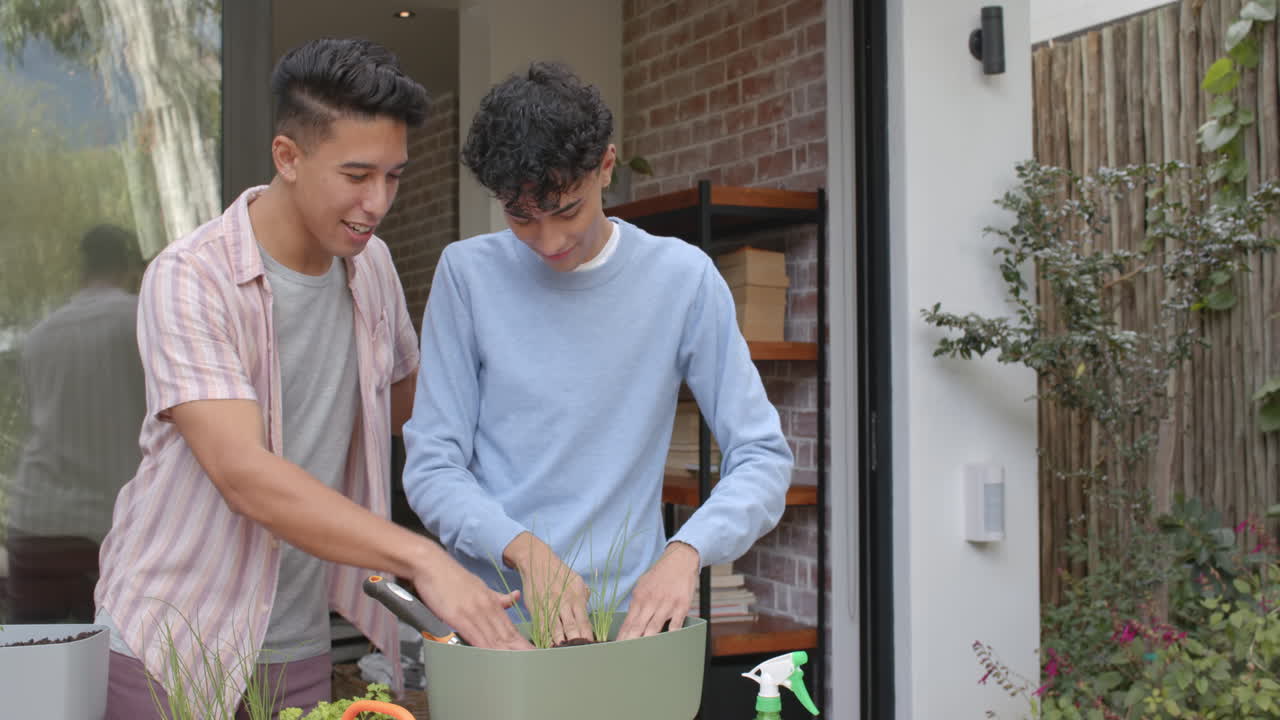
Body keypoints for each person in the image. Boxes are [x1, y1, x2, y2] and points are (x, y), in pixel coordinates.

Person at [94, 38, 529, 720]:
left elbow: (417, 412)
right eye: (357, 175)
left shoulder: (373, 268)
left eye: (393, 176)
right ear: (287, 157)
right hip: (170, 640)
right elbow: (244, 476)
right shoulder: (191, 277)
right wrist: (424, 561)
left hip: (295, 645)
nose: (377, 202)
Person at [401, 61, 793, 646]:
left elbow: (762, 456)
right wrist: (524, 551)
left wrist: (687, 550)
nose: (549, 241)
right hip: (495, 626)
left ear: (606, 166)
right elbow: (433, 467)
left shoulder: (682, 279)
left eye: (567, 211)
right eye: (521, 217)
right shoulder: (467, 276)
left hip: (632, 628)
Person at [7, 224, 146, 624]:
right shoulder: (142, 320)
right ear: (131, 267)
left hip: (35, 524)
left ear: (83, 268)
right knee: (114, 657)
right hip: (111, 527)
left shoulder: (39, 336)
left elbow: (39, 423)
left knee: (33, 655)